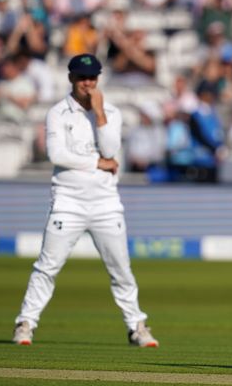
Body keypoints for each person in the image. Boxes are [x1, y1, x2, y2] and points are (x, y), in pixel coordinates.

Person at [11, 54, 158, 348]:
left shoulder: (112, 113)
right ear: (71, 79)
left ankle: (136, 327)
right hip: (68, 202)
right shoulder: (57, 113)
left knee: (121, 269)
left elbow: (112, 149)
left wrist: (100, 113)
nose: (87, 83)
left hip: (106, 204)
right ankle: (25, 324)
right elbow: (58, 155)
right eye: (81, 78)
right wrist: (96, 163)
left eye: (92, 77)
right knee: (47, 266)